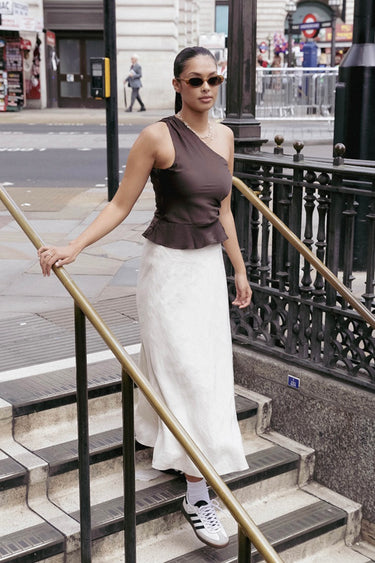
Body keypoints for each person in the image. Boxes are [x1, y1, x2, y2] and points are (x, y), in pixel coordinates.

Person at [38, 46, 252, 549]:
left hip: (205, 271)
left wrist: (239, 269)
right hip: (166, 271)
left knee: (207, 371)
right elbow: (120, 203)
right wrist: (73, 245)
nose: (206, 88)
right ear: (177, 84)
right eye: (195, 80)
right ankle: (199, 494)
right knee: (185, 372)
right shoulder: (156, 136)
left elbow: (222, 211)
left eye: (213, 79)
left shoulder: (224, 137)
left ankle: (175, 448)